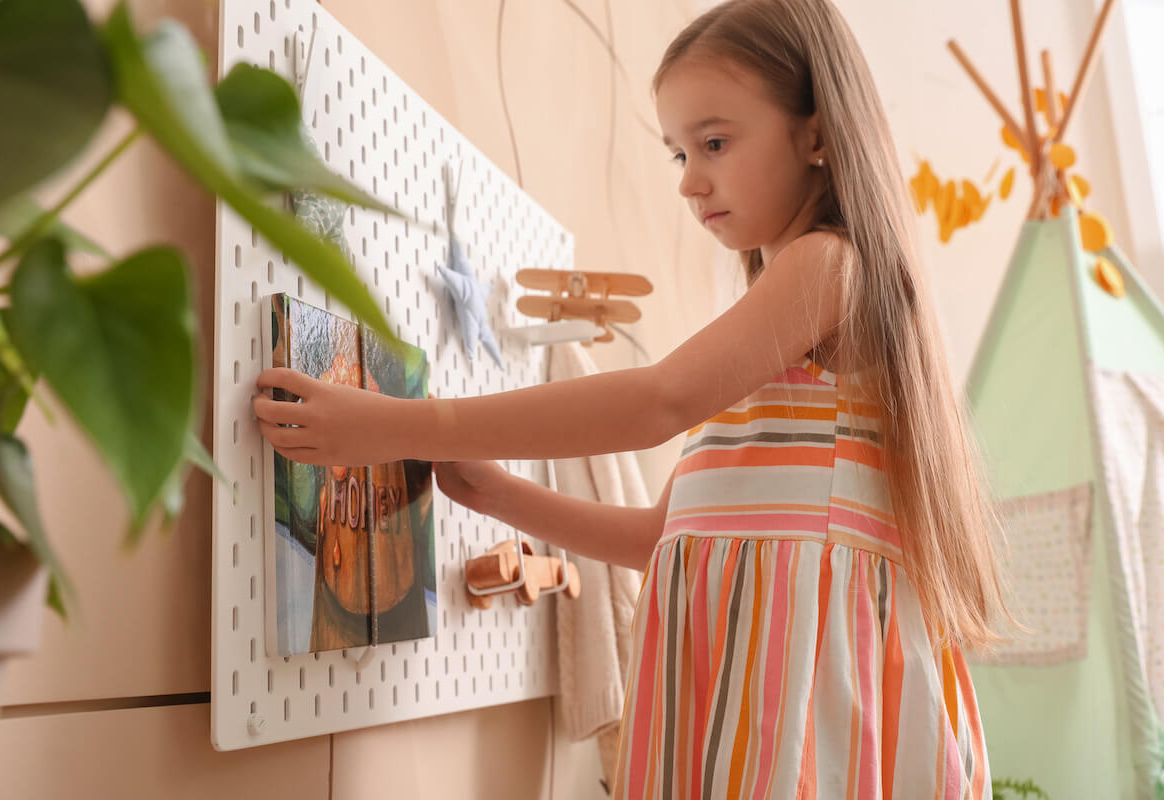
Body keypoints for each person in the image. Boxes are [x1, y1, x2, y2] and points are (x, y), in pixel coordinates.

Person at [254, 0, 1010, 795]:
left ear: (816, 134)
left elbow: (656, 402)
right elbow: (667, 539)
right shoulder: (780, 355)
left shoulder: (831, 267)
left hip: (801, 703)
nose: (689, 181)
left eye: (714, 142)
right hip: (749, 692)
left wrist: (396, 424)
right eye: (677, 153)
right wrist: (500, 494)